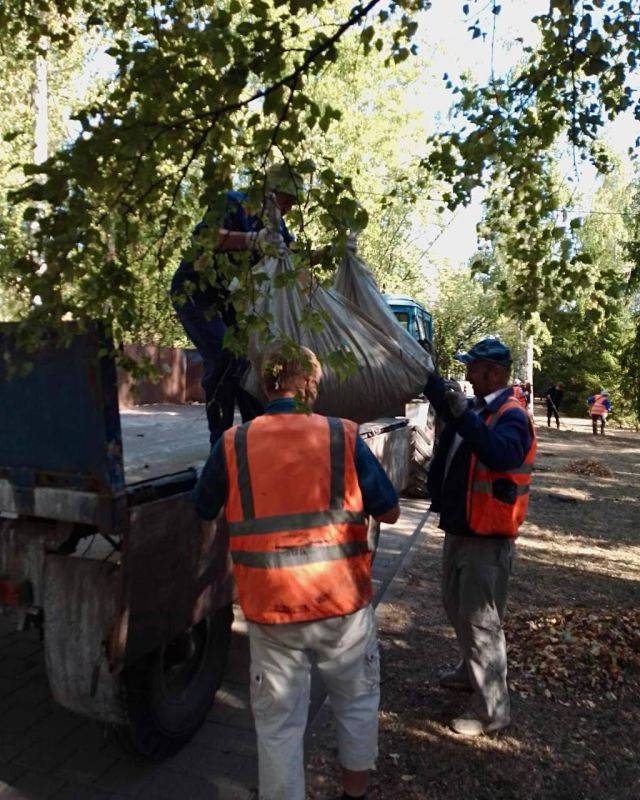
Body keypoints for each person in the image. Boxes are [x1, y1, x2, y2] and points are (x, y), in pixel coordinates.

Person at [193, 344, 400, 800]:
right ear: (306, 384)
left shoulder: (234, 442)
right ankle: (354, 794)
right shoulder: (342, 436)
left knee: (279, 724)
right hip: (341, 605)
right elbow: (391, 513)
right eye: (317, 381)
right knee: (356, 702)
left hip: (272, 609)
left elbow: (203, 506)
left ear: (267, 386)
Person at [423, 338, 536, 737]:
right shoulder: (478, 408)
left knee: (480, 620)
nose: (468, 375)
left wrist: (462, 415)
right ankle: (470, 671)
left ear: (494, 373)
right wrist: (431, 381)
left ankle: (493, 711)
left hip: (486, 536)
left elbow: (502, 455)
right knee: (456, 606)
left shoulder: (511, 415)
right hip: (463, 526)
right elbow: (457, 426)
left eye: (473, 369)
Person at [170, 163, 302, 444]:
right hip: (196, 293)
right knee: (224, 356)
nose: (290, 209)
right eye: (288, 200)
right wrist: (252, 240)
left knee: (251, 364)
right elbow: (206, 237)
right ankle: (220, 442)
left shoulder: (276, 223)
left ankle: (257, 438)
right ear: (270, 192)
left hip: (231, 302)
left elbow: (291, 255)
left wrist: (326, 254)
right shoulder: (232, 202)